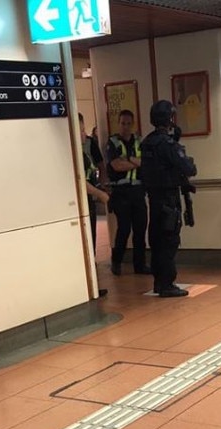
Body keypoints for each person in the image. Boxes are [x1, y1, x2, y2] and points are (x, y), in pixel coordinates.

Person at [141, 100, 197, 298]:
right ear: (169, 119)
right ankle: (167, 284)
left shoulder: (147, 142)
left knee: (157, 240)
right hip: (168, 199)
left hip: (154, 199)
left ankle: (159, 282)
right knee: (169, 240)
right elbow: (189, 168)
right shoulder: (168, 144)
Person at [105, 109, 151, 275]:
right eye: (122, 123)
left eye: (128, 123)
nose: (125, 127)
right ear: (119, 124)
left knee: (140, 229)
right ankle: (116, 261)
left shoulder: (139, 142)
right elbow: (116, 165)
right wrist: (136, 162)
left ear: (133, 124)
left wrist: (129, 160)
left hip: (138, 191)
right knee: (124, 229)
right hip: (121, 192)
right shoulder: (113, 142)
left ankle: (140, 265)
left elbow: (146, 163)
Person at [79, 113, 109, 297]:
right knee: (85, 244)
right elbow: (80, 181)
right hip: (80, 205)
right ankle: (88, 289)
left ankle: (91, 287)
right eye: (81, 129)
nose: (84, 134)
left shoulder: (83, 152)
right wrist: (100, 194)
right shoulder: (75, 155)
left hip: (87, 203)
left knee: (91, 243)